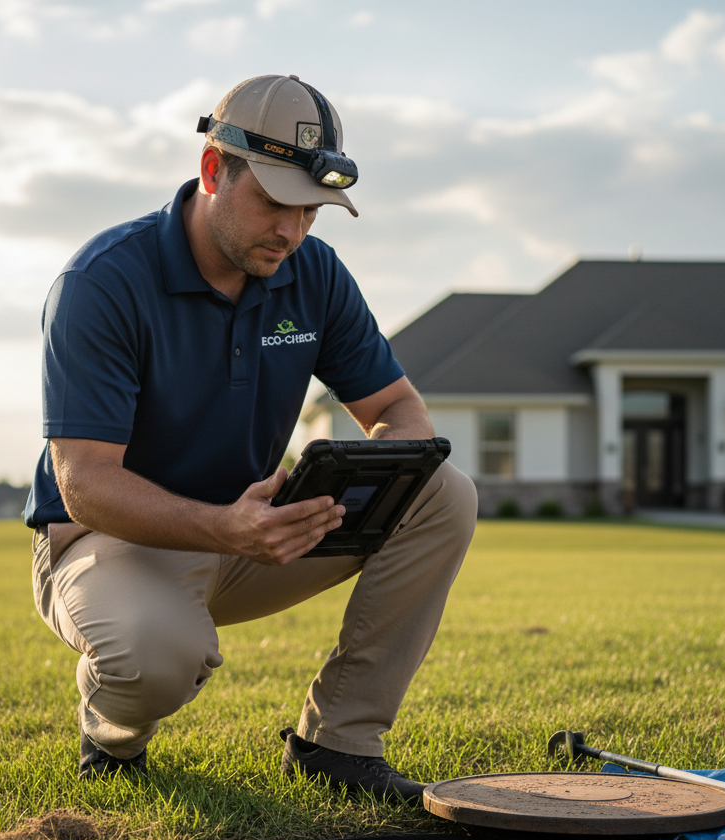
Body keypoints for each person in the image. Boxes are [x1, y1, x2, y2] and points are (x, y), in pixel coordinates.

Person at [24, 74, 477, 800]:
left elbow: (398, 407)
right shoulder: (103, 281)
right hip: (109, 542)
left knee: (442, 492)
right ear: (212, 169)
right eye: (274, 201)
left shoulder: (313, 273)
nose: (292, 231)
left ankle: (338, 744)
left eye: (311, 211)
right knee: (154, 654)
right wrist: (224, 527)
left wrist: (352, 474)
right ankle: (113, 737)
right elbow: (84, 482)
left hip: (257, 534)